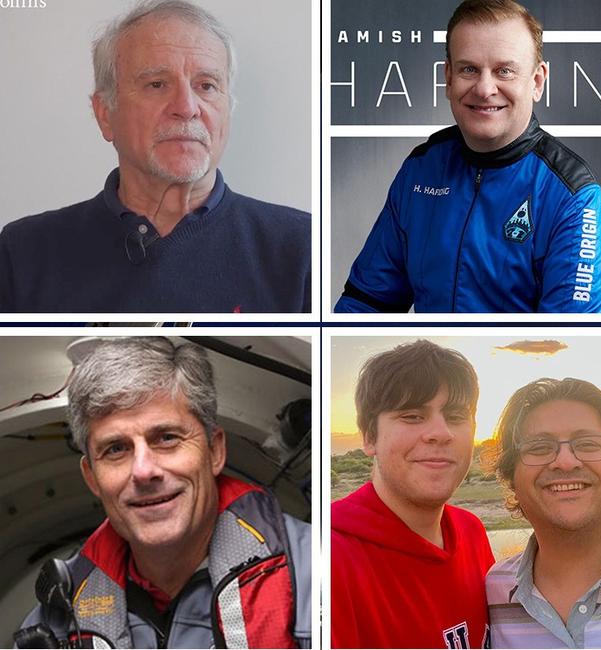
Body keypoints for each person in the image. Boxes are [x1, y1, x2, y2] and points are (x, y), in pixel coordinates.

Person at [0, 0, 310, 313]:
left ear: (227, 110)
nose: (187, 107)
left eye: (206, 85)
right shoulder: (22, 253)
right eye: (157, 84)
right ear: (105, 114)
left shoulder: (302, 248)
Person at [15, 337, 311, 648]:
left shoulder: (324, 575)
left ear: (215, 451)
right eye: (116, 449)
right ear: (92, 478)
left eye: (167, 438)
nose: (143, 470)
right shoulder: (56, 620)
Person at [334, 0, 601, 314]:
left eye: (504, 71)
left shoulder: (573, 197)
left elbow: (568, 344)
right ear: (448, 78)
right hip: (430, 362)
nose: (484, 89)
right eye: (469, 69)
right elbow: (366, 303)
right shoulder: (421, 170)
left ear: (537, 81)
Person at [331, 340, 494, 649]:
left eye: (456, 416)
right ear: (369, 436)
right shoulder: (333, 558)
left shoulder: (471, 531)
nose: (440, 432)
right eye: (412, 416)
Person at [486, 378, 601, 648]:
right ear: (512, 478)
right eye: (539, 448)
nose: (566, 462)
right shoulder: (493, 593)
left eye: (588, 444)